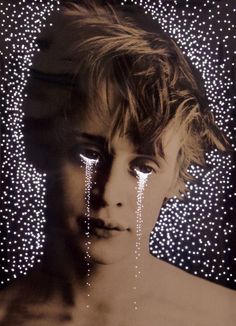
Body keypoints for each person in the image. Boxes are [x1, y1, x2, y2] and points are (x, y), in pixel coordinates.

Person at [1, 1, 236, 325]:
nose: (109, 193)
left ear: (176, 180)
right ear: (41, 144)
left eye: (143, 167)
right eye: (89, 155)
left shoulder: (221, 317)